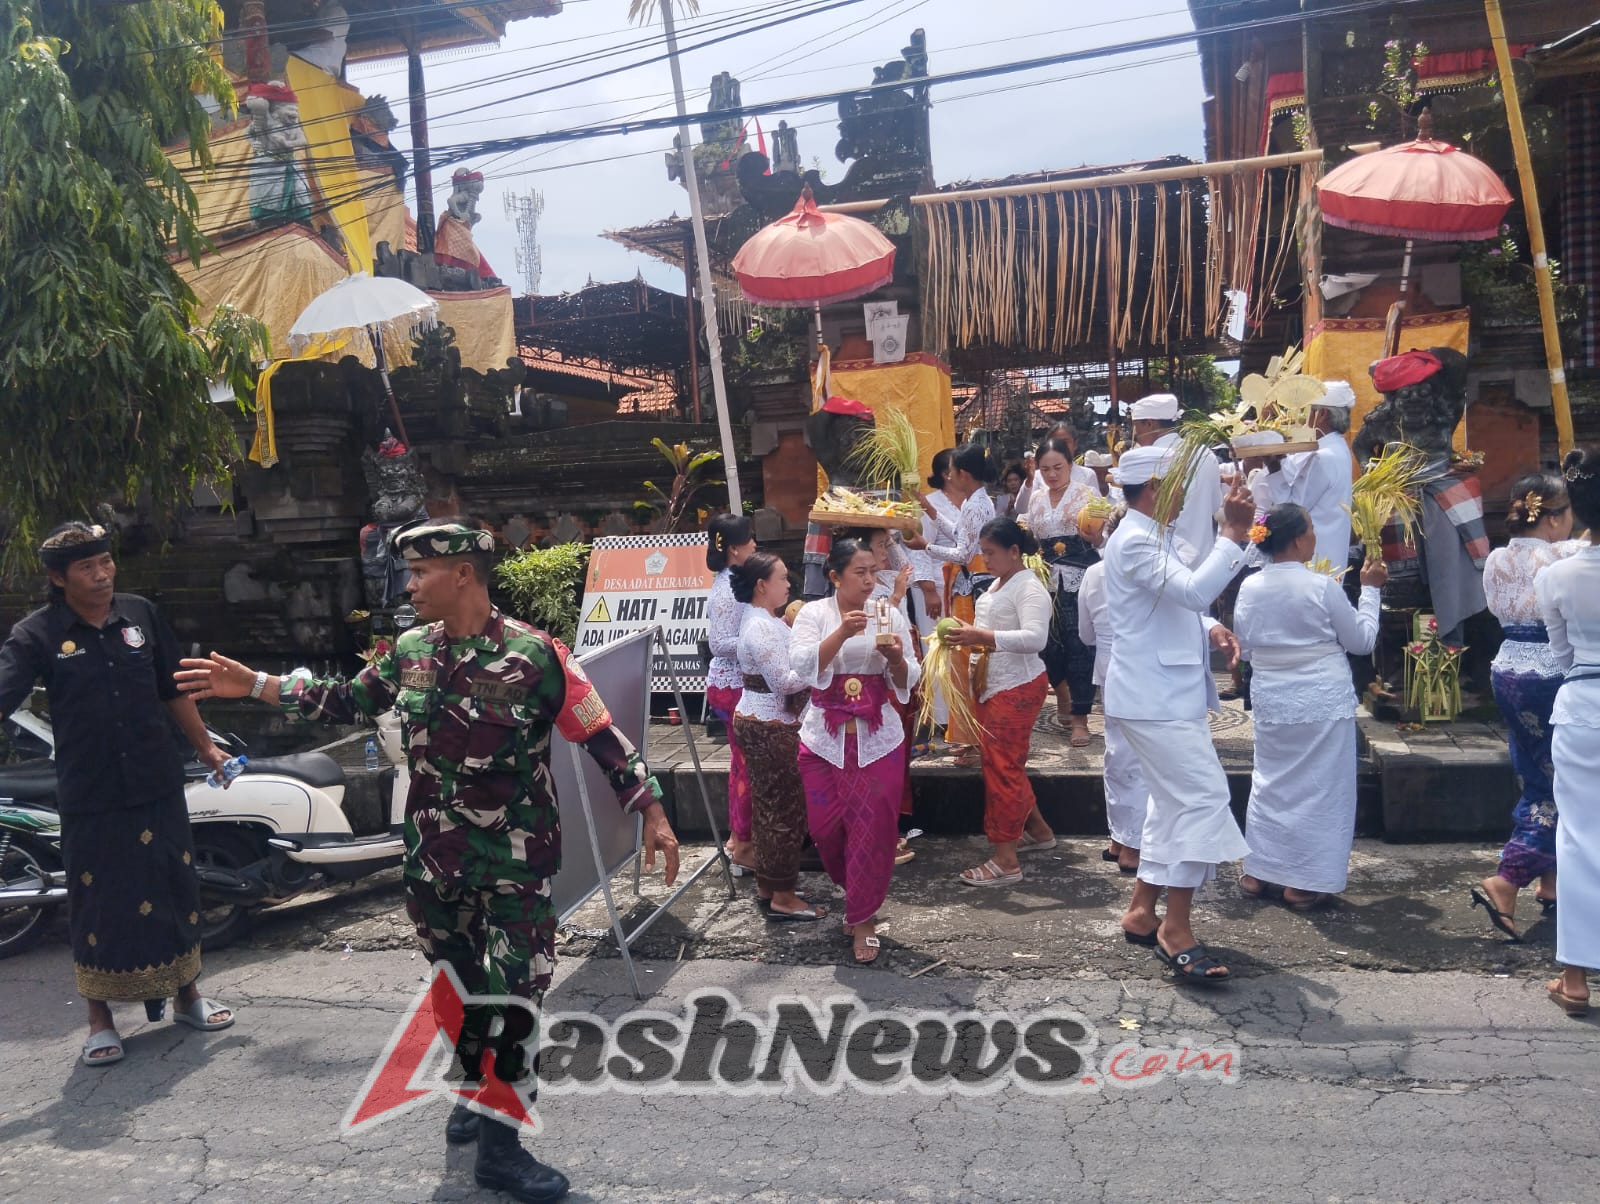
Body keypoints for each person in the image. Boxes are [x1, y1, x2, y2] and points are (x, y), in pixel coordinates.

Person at [176, 520, 680, 1203]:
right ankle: (478, 1095)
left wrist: (649, 808)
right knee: (459, 992)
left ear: (462, 574)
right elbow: (346, 700)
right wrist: (259, 683)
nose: (408, 586)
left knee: (511, 999)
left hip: (513, 864)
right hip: (434, 866)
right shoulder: (409, 652)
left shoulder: (538, 656)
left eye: (419, 573)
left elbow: (599, 733)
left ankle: (501, 1155)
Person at [0, 523, 236, 1068]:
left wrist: (205, 748)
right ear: (59, 578)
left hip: (155, 781)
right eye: (87, 568)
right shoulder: (35, 635)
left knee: (174, 881)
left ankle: (188, 996)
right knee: (97, 898)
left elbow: (171, 686)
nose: (102, 575)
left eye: (106, 563)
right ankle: (100, 1020)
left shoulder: (141, 615)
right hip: (91, 789)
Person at [1102, 446, 1255, 983]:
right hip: (1153, 697)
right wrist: (1233, 535)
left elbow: (1173, 605)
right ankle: (1176, 928)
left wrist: (1206, 626)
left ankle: (1145, 911)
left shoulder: (1152, 536)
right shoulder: (1137, 540)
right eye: (1179, 486)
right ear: (1154, 489)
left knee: (1172, 804)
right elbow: (1190, 589)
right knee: (1202, 800)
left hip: (1163, 694)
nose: (1186, 496)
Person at [1234, 505, 1386, 909]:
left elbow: (1245, 648)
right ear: (1300, 539)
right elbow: (1362, 642)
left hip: (1272, 696)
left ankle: (1259, 870)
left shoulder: (1250, 587)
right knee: (1323, 788)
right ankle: (1303, 881)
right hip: (1320, 696)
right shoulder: (1322, 587)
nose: (1315, 536)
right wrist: (1371, 590)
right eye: (1313, 528)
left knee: (1271, 782)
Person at [789, 538, 921, 965]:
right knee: (826, 829)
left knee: (872, 828)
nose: (870, 581)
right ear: (835, 576)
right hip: (823, 737)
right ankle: (858, 894)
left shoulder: (889, 613)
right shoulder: (813, 614)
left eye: (873, 572)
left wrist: (896, 658)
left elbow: (909, 676)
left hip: (877, 735)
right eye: (859, 573)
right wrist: (843, 631)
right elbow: (802, 665)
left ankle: (863, 917)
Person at [1469, 473, 1580, 941]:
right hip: (1551, 674)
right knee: (1563, 786)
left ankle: (1551, 880)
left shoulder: (1496, 558)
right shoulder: (1562, 556)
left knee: (1536, 773)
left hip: (1508, 667)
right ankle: (1507, 878)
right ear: (1554, 518)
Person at [943, 518, 1056, 885]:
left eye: (990, 553)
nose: (985, 559)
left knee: (1002, 770)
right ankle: (1039, 831)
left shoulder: (1029, 588)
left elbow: (1037, 638)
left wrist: (981, 635)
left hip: (1017, 686)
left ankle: (1006, 861)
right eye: (983, 552)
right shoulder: (999, 581)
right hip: (997, 684)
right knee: (1005, 765)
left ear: (1013, 552)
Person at [1536, 447, 1600, 1016]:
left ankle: (1575, 977)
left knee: (1578, 838)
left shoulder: (1557, 573)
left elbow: (1561, 656)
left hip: (1581, 707)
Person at [731, 552, 824, 921]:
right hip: (770, 725)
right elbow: (784, 682)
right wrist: (821, 660)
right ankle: (783, 894)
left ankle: (770, 884)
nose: (789, 584)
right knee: (784, 809)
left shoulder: (764, 621)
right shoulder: (761, 628)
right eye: (783, 578)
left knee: (769, 806)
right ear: (761, 585)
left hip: (762, 721)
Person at [905, 443, 997, 759]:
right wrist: (928, 511)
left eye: (953, 469)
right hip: (965, 583)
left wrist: (925, 547)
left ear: (963, 474)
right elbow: (958, 531)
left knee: (964, 660)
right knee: (961, 660)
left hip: (969, 584)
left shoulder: (974, 505)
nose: (949, 474)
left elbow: (963, 552)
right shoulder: (977, 501)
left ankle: (971, 738)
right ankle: (968, 735)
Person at [1077, 502, 1147, 874]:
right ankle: (1132, 843)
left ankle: (1120, 837)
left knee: (1118, 755)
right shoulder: (1146, 566)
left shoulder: (1095, 573)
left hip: (1108, 666)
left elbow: (1086, 633)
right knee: (1137, 757)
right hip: (1142, 666)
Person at [1026, 437, 1101, 745]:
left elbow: (1100, 541)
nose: (1052, 474)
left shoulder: (1089, 494)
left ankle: (1080, 719)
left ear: (1071, 465)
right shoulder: (1036, 498)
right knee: (1047, 644)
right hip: (1044, 577)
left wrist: (1090, 533)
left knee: (1078, 645)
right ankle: (1063, 695)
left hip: (1079, 578)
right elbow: (1032, 537)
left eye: (1058, 467)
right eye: (1045, 469)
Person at [1247, 382, 1359, 572]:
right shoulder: (1336, 447)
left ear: (1321, 414)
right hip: (1323, 556)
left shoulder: (1324, 456)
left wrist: (1273, 466)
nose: (1305, 418)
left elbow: (1292, 509)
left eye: (1308, 411)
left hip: (1313, 561)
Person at [704, 513, 757, 874]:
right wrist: (761, 639)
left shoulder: (736, 578)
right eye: (750, 540)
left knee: (743, 765)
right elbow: (719, 643)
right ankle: (741, 844)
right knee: (747, 767)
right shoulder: (727, 589)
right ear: (736, 549)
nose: (755, 545)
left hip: (735, 684)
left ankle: (739, 840)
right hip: (731, 686)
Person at [1131, 393, 1222, 564]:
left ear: (1149, 423)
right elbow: (1215, 506)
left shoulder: (1146, 459)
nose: (1135, 434)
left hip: (1162, 565)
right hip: (1203, 564)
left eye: (1136, 427)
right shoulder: (1205, 453)